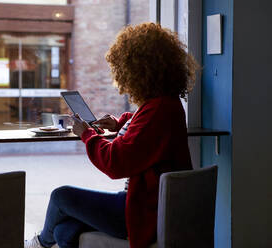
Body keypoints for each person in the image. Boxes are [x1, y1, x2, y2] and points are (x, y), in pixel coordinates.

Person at [25, 22, 199, 248]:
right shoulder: (163, 104)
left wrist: (86, 134)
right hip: (145, 205)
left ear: (137, 70)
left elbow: (115, 163)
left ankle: (37, 245)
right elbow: (142, 128)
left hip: (140, 211)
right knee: (63, 231)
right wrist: (120, 123)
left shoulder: (159, 110)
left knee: (61, 197)